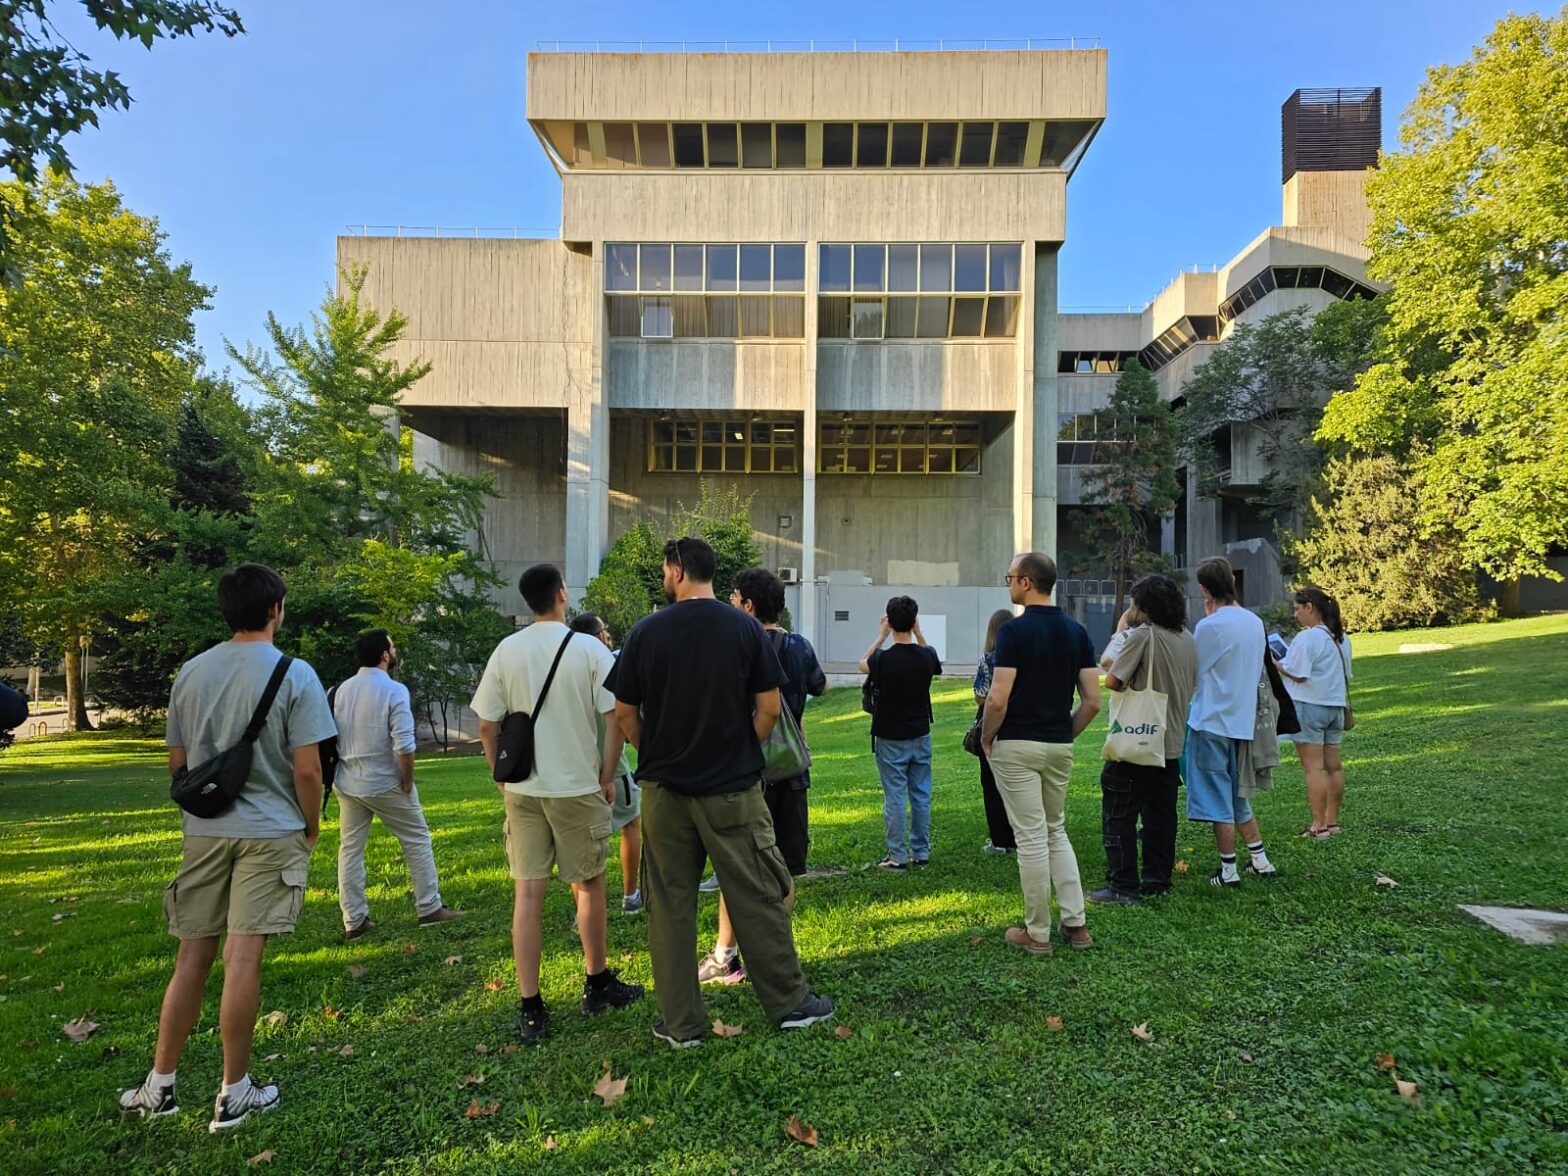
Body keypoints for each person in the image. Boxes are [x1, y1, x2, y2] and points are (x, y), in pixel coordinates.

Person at [119, 564, 336, 1130]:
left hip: (205, 832)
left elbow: (178, 766)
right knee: (244, 960)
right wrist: (311, 825)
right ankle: (234, 1090)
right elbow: (309, 770)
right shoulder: (296, 673)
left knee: (191, 957)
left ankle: (159, 1085)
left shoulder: (191, 672)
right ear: (275, 609)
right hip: (271, 832)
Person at [609, 537, 833, 1047]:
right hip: (734, 789)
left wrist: (659, 749)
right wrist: (738, 748)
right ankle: (790, 1003)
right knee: (756, 893)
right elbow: (770, 709)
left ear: (677, 570)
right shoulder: (745, 629)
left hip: (663, 792)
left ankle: (682, 1024)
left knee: (668, 903)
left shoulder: (646, 631)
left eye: (667, 570)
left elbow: (625, 715)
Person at [470, 564, 643, 1046]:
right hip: (577, 787)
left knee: (528, 894)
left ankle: (531, 1006)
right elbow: (615, 719)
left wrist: (500, 776)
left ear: (528, 601)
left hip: (524, 790)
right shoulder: (590, 649)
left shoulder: (507, 650)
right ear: (562, 594)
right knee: (588, 886)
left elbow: (487, 724)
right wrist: (607, 776)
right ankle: (596, 982)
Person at [695, 567, 828, 986]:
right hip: (790, 771)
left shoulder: (735, 644)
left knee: (735, 867)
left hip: (745, 772)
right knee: (784, 868)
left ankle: (725, 954)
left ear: (748, 605)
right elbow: (820, 687)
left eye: (734, 598)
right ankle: (770, 954)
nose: (731, 604)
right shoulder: (798, 646)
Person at [980, 553, 1099, 955]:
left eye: (1011, 576)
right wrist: (1066, 733)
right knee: (1055, 831)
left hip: (1017, 743)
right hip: (1057, 745)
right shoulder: (1077, 632)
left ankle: (1038, 933)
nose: (1008, 583)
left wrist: (986, 737)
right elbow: (1093, 701)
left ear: (1027, 582)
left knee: (1030, 838)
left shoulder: (1013, 632)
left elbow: (997, 699)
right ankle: (1076, 924)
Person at [333, 629, 464, 939]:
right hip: (384, 780)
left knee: (350, 849)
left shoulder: (340, 690)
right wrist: (407, 778)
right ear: (384, 655)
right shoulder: (394, 690)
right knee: (416, 839)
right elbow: (404, 744)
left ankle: (354, 921)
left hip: (348, 781)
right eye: (392, 646)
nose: (395, 650)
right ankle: (429, 907)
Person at [1087, 575, 1198, 904]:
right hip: (1171, 741)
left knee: (1118, 813)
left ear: (1146, 609)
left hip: (1137, 742)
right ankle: (1157, 879)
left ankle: (1122, 885)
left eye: (1135, 604)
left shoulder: (1142, 637)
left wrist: (1122, 630)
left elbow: (1112, 678)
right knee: (1161, 816)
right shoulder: (1187, 638)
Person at [1187, 557, 1279, 888]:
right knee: (1238, 794)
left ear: (1205, 590)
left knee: (1216, 798)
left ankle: (1228, 870)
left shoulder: (1210, 626)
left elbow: (1194, 668)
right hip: (1243, 719)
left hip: (1211, 719)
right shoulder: (1254, 621)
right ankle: (1260, 859)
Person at [568, 612, 643, 913]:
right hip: (611, 763)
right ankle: (630, 895)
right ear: (598, 636)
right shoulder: (607, 665)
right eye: (605, 630)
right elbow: (620, 718)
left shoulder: (567, 668)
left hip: (575, 766)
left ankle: (581, 909)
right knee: (630, 822)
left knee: (578, 840)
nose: (608, 635)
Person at [859, 596, 941, 869]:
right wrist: (918, 633)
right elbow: (935, 663)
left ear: (890, 622)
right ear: (914, 621)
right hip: (920, 732)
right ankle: (921, 851)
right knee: (920, 794)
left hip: (889, 735)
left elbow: (862, 664)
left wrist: (882, 636)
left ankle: (897, 855)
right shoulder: (926, 656)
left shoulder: (882, 659)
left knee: (894, 796)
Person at [1275, 586, 1353, 838]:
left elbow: (1298, 673)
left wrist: (1276, 664)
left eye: (1298, 609)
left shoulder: (1307, 638)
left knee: (1314, 769)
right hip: (1335, 707)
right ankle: (1332, 822)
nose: (1295, 615)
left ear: (1310, 607)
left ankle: (1318, 825)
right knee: (1334, 768)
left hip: (1309, 706)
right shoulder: (1342, 637)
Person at [973, 609, 1018, 855]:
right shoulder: (1024, 657)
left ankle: (1000, 840)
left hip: (993, 724)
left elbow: (980, 696)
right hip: (1020, 724)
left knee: (991, 784)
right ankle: (1021, 836)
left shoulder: (989, 659)